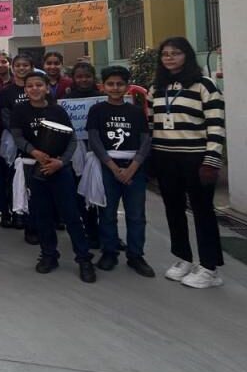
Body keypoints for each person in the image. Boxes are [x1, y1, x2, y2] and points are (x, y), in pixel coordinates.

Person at [147, 37, 226, 289]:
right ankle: (182, 258)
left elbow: (216, 124)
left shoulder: (205, 85)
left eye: (176, 53)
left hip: (196, 158)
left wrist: (211, 160)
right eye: (165, 54)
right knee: (173, 209)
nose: (169, 57)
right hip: (165, 157)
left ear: (187, 55)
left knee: (203, 211)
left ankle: (209, 268)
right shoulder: (156, 87)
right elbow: (151, 124)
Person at [11, 69, 96, 283]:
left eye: (39, 85)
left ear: (47, 87)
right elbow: (17, 137)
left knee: (71, 215)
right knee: (43, 215)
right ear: (25, 89)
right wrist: (34, 152)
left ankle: (84, 258)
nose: (35, 89)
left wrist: (61, 162)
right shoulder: (20, 110)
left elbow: (72, 140)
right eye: (30, 86)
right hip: (34, 169)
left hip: (59, 170)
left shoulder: (58, 111)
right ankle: (49, 254)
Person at [87, 66, 155, 277]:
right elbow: (94, 139)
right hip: (108, 168)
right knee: (107, 214)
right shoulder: (97, 110)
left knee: (136, 215)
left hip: (134, 170)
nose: (115, 88)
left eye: (120, 84)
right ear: (103, 86)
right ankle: (109, 251)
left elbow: (145, 140)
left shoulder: (135, 111)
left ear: (127, 87)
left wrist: (133, 167)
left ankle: (136, 255)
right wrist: (113, 167)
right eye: (110, 84)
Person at [61, 61, 103, 248]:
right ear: (73, 79)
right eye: (79, 76)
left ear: (93, 77)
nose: (83, 79)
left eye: (87, 76)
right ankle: (90, 231)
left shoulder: (103, 97)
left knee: (103, 193)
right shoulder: (66, 100)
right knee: (81, 193)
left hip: (100, 150)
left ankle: (109, 234)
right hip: (77, 152)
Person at [0, 53, 34, 234]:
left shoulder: (38, 86)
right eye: (18, 65)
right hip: (14, 141)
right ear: (13, 68)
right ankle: (15, 212)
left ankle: (33, 216)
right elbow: (5, 116)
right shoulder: (6, 92)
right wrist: (19, 136)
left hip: (38, 141)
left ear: (32, 67)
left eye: (25, 65)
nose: (21, 68)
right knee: (13, 177)